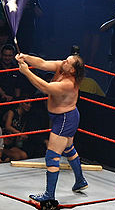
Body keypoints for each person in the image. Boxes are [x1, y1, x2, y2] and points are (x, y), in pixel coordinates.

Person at [15, 53, 88, 202]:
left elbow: (45, 87)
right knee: (68, 149)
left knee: (52, 156)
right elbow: (42, 63)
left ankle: (49, 195)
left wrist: (26, 72)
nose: (63, 62)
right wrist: (25, 57)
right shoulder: (62, 68)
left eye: (67, 62)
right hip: (63, 117)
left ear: (73, 70)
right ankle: (80, 181)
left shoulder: (69, 83)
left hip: (65, 119)